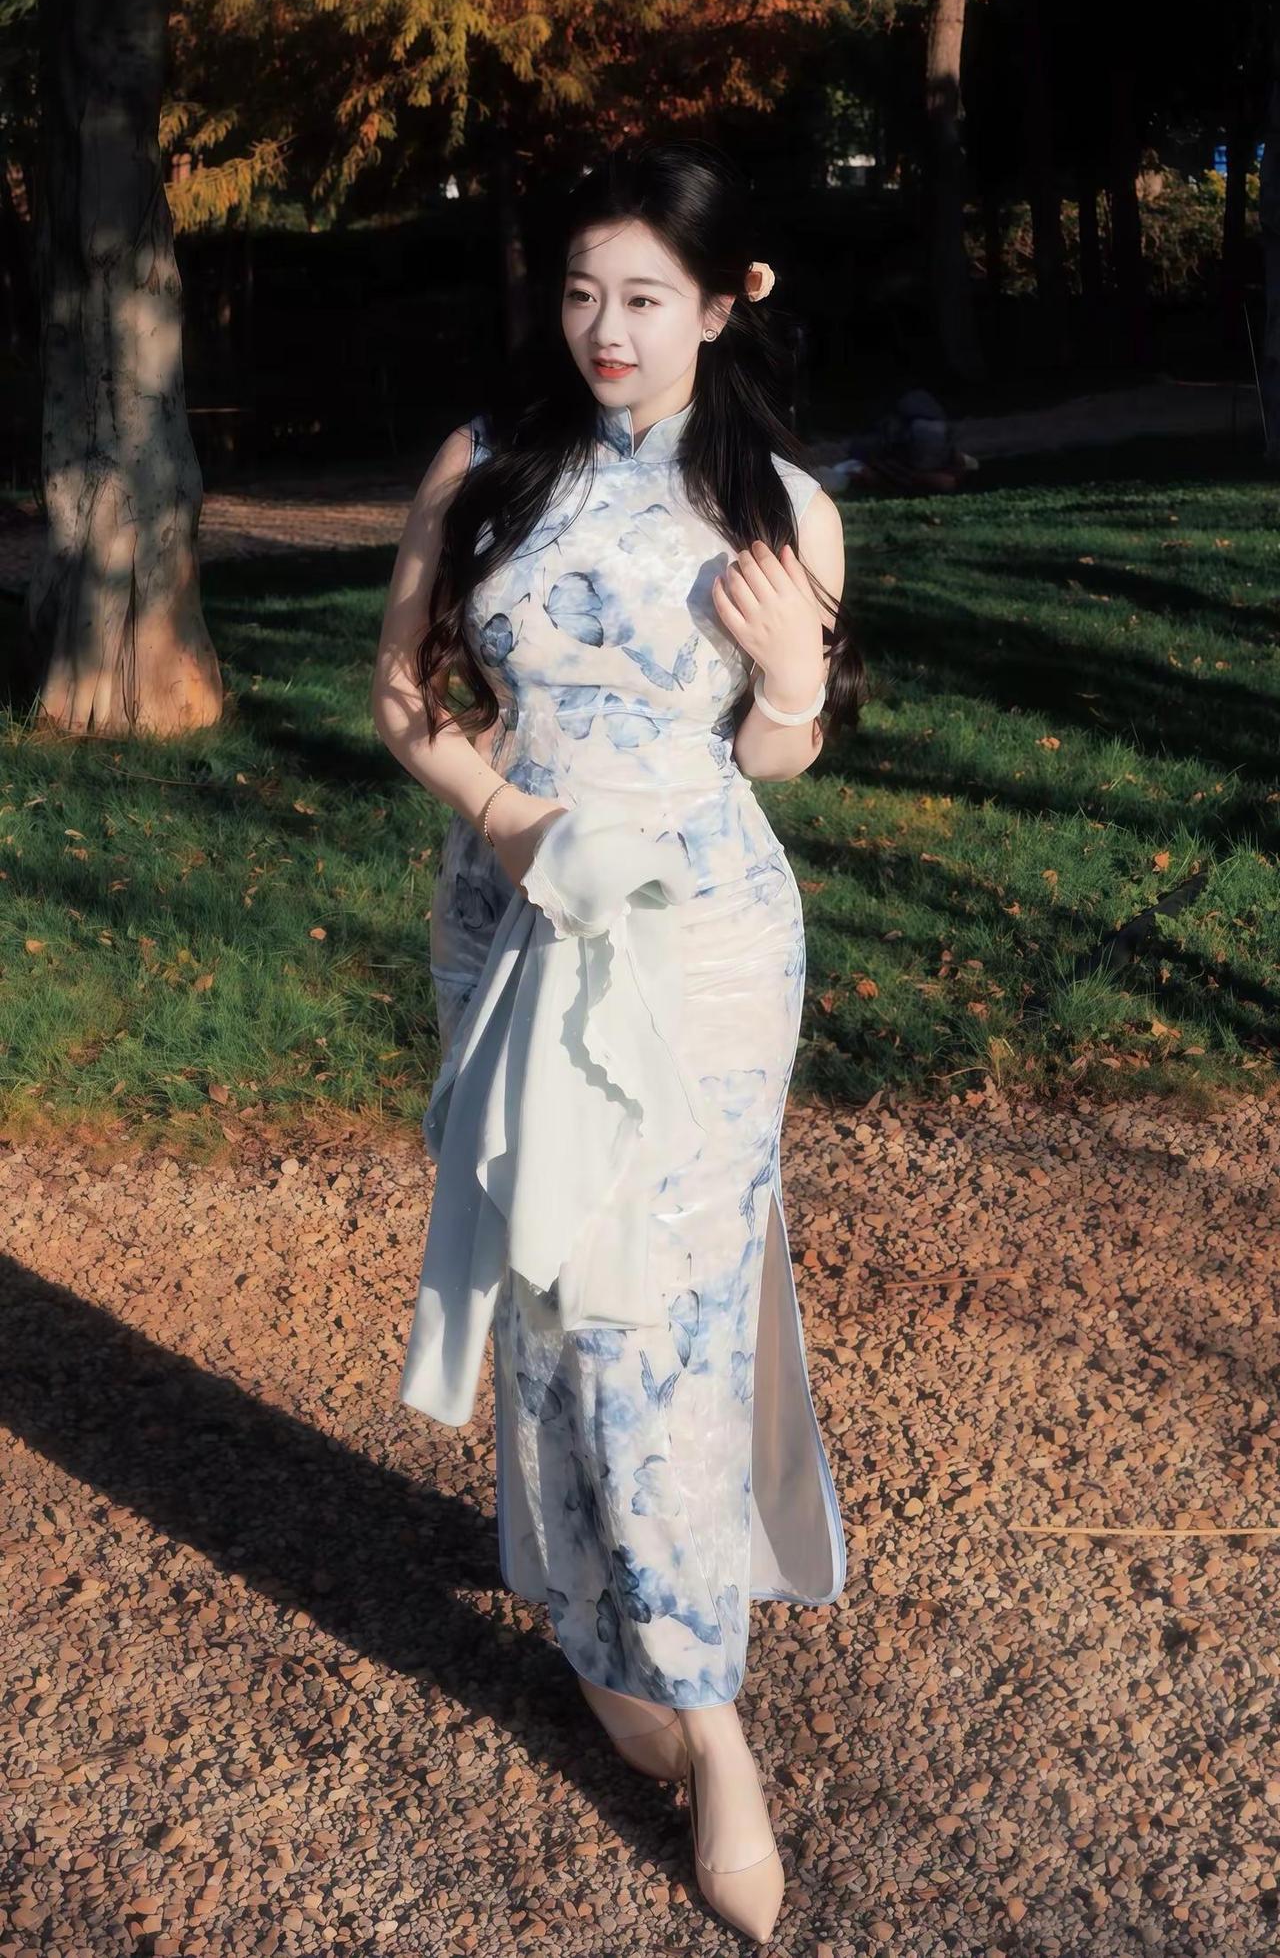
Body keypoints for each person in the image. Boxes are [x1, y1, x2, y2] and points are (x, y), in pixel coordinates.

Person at [373, 138, 866, 1941]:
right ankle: (592, 1613)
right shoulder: (485, 465)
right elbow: (402, 689)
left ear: (727, 303)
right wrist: (508, 821)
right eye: (585, 291)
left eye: (647, 297)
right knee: (546, 1285)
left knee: (659, 1308)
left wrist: (794, 679)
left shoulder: (781, 505)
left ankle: (709, 1717)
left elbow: (780, 753)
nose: (608, 328)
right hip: (509, 916)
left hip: (702, 946)